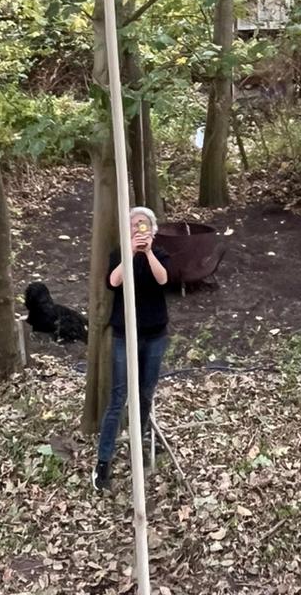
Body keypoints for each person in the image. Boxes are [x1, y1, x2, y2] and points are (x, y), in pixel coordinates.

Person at [92, 206, 170, 491]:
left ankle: (140, 438)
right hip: (125, 335)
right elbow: (113, 282)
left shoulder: (158, 255)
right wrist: (130, 253)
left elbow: (163, 279)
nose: (140, 229)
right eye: (135, 224)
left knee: (146, 393)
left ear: (152, 230)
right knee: (118, 397)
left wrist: (147, 252)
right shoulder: (119, 255)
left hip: (155, 335)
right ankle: (103, 462)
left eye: (144, 224)